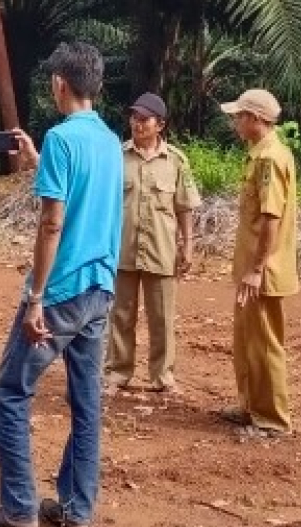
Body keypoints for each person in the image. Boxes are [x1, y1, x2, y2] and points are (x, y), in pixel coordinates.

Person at [0, 42, 123, 527]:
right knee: (86, 402)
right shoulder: (109, 141)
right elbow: (84, 199)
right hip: (100, 289)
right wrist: (38, 160)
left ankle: (19, 507)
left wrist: (35, 297)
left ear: (60, 83)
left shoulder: (63, 138)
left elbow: (53, 222)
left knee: (10, 394)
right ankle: (77, 510)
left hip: (59, 292)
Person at [103, 93, 201, 393]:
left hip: (161, 249)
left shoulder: (176, 162)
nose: (137, 124)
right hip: (123, 249)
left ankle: (163, 375)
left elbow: (184, 206)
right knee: (121, 314)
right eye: (134, 118)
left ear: (160, 124)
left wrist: (188, 246)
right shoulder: (117, 157)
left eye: (144, 119)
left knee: (162, 317)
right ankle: (118, 372)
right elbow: (105, 204)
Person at [219, 88, 299, 437]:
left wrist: (255, 270)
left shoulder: (269, 158)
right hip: (254, 267)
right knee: (248, 338)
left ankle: (272, 419)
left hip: (263, 271)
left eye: (239, 116)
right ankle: (251, 405)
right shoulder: (260, 154)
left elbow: (270, 219)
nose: (235, 121)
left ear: (255, 119)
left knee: (265, 342)